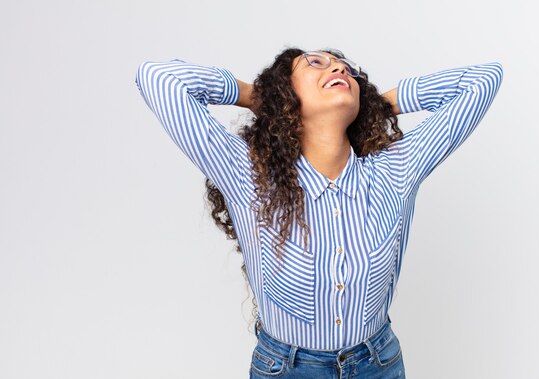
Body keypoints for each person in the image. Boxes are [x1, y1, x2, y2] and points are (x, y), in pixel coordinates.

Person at [135, 47, 503, 378]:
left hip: (379, 365)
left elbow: (484, 79)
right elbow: (157, 78)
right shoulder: (245, 174)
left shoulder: (397, 170)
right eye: (316, 63)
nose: (339, 69)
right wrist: (256, 96)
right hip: (286, 370)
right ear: (286, 94)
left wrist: (377, 103)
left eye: (347, 70)